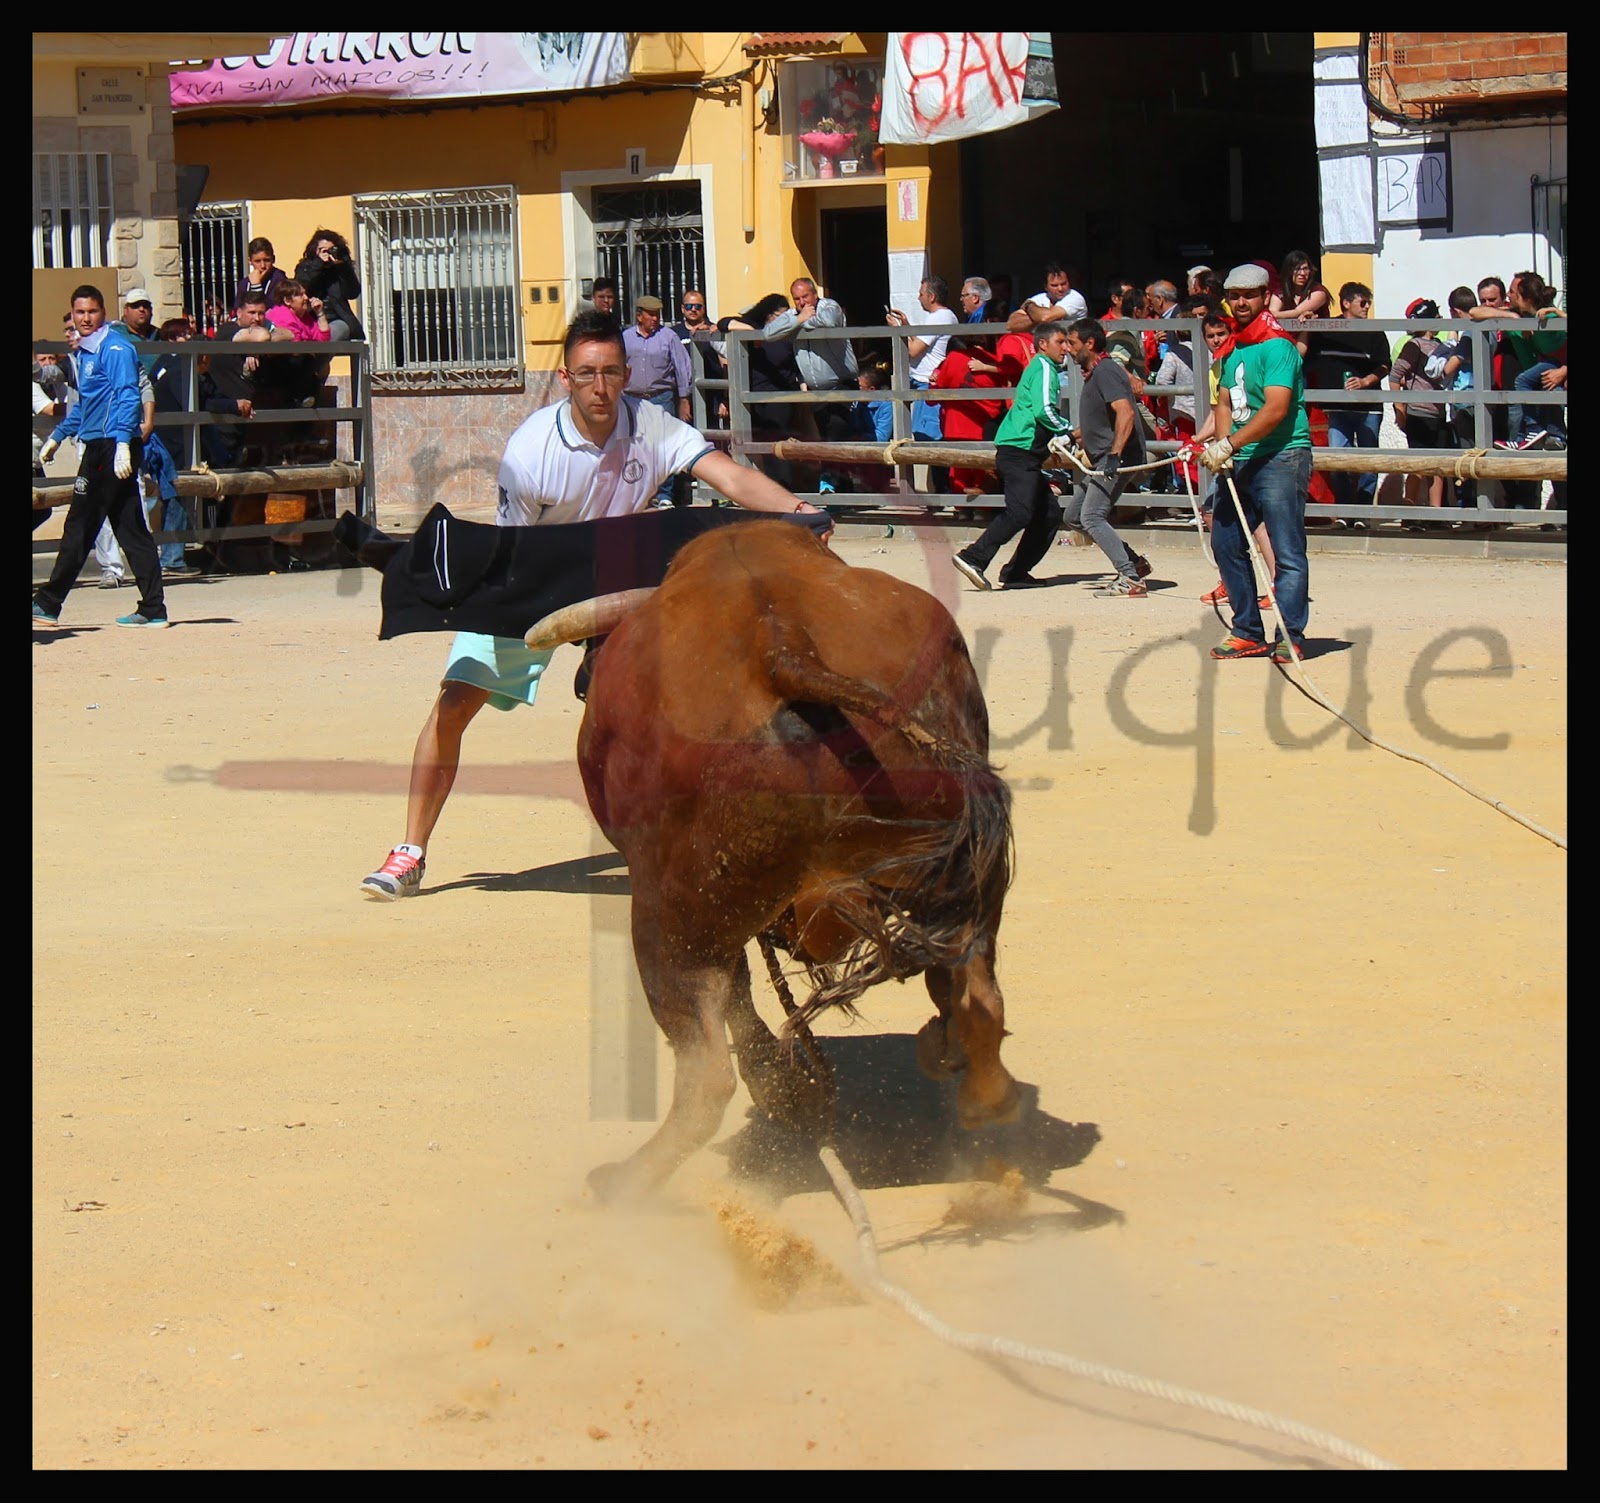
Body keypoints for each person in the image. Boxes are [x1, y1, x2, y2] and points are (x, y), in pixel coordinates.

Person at [359, 309, 830, 900]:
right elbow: (515, 552)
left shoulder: (652, 426)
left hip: (623, 581)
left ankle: (691, 837)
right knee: (454, 705)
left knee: (670, 702)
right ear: (565, 378)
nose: (600, 387)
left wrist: (797, 513)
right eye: (587, 374)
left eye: (611, 372)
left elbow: (729, 479)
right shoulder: (530, 451)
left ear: (627, 374)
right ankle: (410, 851)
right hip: (534, 578)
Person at [33, 285, 169, 629]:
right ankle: (153, 607)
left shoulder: (115, 348)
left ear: (103, 312)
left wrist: (124, 441)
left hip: (110, 445)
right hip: (100, 442)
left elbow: (128, 396)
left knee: (80, 523)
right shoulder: (87, 353)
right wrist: (59, 436)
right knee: (131, 528)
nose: (85, 319)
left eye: (91, 312)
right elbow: (87, 405)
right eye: (79, 313)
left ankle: (48, 603)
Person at [1197, 263, 1312, 663]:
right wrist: (1225, 448)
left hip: (1282, 454)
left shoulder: (1278, 346)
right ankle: (1247, 629)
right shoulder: (1236, 346)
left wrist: (1229, 444)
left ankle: (1290, 633)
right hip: (1243, 456)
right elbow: (1225, 400)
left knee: (1286, 550)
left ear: (1265, 296)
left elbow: (1277, 409)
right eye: (1235, 296)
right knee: (1226, 541)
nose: (1241, 302)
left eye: (1249, 295)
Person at [1058, 319, 1154, 597]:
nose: (1068, 349)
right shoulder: (1098, 374)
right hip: (1104, 460)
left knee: (1091, 516)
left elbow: (1125, 412)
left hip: (1113, 460)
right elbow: (1101, 421)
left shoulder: (1107, 372)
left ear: (1090, 343)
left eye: (1072, 343)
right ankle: (1134, 563)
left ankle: (1130, 577)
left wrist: (1114, 455)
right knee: (1074, 515)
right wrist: (1071, 436)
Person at [1296, 281, 1391, 516]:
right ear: (1347, 303)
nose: (1367, 306)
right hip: (1337, 409)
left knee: (1369, 462)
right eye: (1363, 302)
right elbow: (1302, 355)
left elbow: (1385, 365)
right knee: (1338, 460)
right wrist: (1306, 324)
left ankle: (1364, 513)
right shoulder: (1328, 329)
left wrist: (1366, 381)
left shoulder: (1374, 331)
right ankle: (1345, 512)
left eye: (1368, 302)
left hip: (1368, 408)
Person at [762, 277, 860, 493]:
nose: (801, 302)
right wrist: (798, 320)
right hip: (816, 391)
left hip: (841, 385)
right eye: (797, 298)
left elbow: (829, 322)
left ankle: (830, 485)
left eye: (805, 296)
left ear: (815, 294)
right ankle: (843, 489)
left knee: (835, 434)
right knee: (827, 437)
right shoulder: (794, 315)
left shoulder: (829, 305)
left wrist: (800, 321)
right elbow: (768, 333)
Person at [622, 293, 694, 505]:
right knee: (633, 446)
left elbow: (682, 367)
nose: (655, 319)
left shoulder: (668, 337)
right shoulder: (625, 338)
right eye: (651, 315)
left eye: (657, 315)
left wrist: (684, 399)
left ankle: (664, 494)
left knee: (663, 445)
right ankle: (639, 494)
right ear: (639, 316)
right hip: (631, 399)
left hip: (661, 398)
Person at [146, 318, 202, 575]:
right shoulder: (177, 365)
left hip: (162, 439)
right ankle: (172, 557)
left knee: (165, 494)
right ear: (171, 339)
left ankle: (167, 555)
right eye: (183, 335)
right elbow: (188, 403)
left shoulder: (162, 364)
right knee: (175, 494)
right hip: (172, 441)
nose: (188, 339)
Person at [885, 275, 959, 453]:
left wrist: (897, 330)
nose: (919, 298)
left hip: (929, 384)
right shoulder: (947, 316)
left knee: (930, 441)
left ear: (932, 297)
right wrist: (907, 326)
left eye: (921, 294)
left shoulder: (938, 317)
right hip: (927, 383)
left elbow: (912, 350)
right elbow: (922, 346)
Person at [1389, 299, 1449, 516]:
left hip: (1438, 413)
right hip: (1418, 413)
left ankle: (1436, 514)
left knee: (1438, 466)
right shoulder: (1413, 346)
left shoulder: (1441, 346)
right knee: (1418, 465)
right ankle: (1410, 511)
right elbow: (1396, 375)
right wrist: (1400, 408)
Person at [263, 280, 331, 405]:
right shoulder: (282, 314)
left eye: (305, 294)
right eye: (300, 295)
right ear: (287, 301)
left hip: (296, 368)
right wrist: (311, 351)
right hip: (277, 368)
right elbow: (296, 347)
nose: (306, 298)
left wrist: (320, 314)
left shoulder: (304, 317)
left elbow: (324, 339)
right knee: (308, 364)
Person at [294, 228, 365, 344]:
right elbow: (302, 288)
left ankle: (316, 361)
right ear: (314, 251)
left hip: (338, 319)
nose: (327, 253)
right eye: (323, 250)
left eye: (331, 250)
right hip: (311, 320)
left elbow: (352, 293)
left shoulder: (341, 269)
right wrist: (318, 264)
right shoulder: (305, 267)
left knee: (326, 341)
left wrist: (343, 267)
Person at [1006, 262, 1089, 333]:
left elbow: (1045, 317)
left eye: (1063, 284)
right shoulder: (1040, 298)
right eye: (1054, 285)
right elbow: (1011, 324)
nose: (1060, 289)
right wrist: (1039, 316)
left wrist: (1029, 306)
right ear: (1046, 287)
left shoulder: (1075, 297)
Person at [1272, 251, 1331, 322]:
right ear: (1289, 271)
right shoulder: (1280, 293)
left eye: (1305, 269)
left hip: (1317, 333)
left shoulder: (1318, 292)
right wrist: (1271, 315)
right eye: (1297, 269)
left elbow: (1297, 312)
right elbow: (1272, 311)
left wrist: (1274, 315)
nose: (1302, 273)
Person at [234, 237, 287, 315]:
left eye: (267, 260)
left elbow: (273, 309)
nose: (263, 266)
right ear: (250, 261)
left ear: (273, 259)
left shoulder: (279, 279)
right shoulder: (244, 283)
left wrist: (256, 286)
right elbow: (237, 310)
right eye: (257, 261)